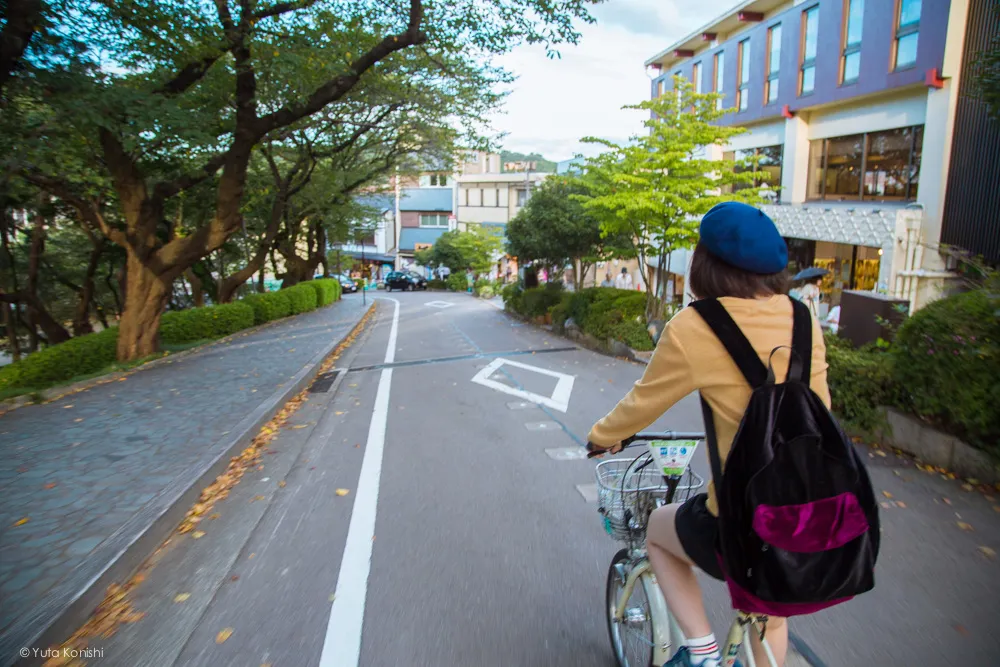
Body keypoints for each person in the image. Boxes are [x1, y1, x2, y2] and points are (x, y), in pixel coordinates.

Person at [587, 202, 831, 667]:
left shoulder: (697, 325)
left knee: (658, 533)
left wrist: (602, 436)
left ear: (705, 262)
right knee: (769, 615)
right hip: (817, 510)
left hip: (743, 521)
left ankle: (700, 653)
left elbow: (643, 402)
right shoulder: (803, 318)